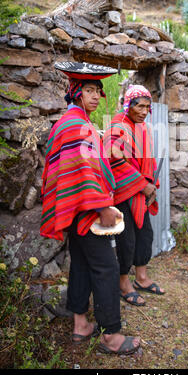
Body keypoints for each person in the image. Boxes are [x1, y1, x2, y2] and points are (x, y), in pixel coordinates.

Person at [40, 62, 140, 355]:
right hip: (86, 209)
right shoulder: (76, 125)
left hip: (75, 208)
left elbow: (78, 168)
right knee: (107, 267)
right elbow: (82, 170)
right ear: (75, 92)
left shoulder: (72, 122)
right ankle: (111, 336)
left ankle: (80, 324)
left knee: (82, 264)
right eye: (88, 90)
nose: (95, 96)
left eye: (98, 91)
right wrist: (103, 206)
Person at [103, 84, 165, 306]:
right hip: (123, 192)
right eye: (139, 106)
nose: (143, 111)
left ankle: (141, 277)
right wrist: (142, 184)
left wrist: (151, 184)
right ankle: (123, 283)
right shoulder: (117, 126)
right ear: (128, 105)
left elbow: (146, 160)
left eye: (147, 107)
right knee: (126, 239)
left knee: (144, 234)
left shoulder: (143, 128)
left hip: (140, 192)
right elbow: (115, 159)